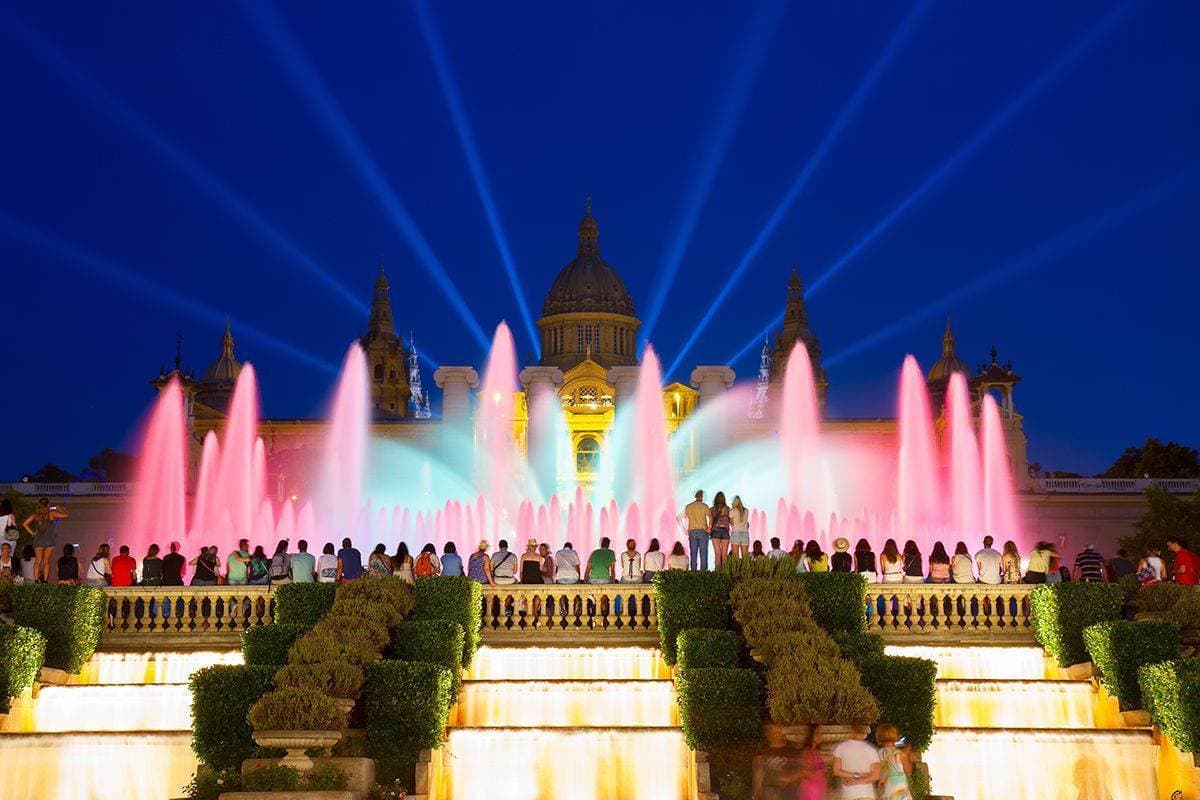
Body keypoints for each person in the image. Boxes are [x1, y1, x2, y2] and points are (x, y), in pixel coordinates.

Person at [752, 721, 808, 800]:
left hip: (788, 794)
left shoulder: (791, 751)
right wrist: (756, 795)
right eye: (773, 731)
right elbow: (758, 777)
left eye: (778, 731)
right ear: (768, 734)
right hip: (769, 795)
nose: (777, 734)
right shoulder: (763, 753)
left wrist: (787, 778)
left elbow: (802, 772)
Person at [24, 498, 68, 583]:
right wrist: (59, 508)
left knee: (38, 561)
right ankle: (45, 580)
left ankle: (36, 580)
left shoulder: (35, 515)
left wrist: (32, 533)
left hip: (38, 540)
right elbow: (66, 515)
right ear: (48, 505)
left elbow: (25, 524)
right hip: (49, 540)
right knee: (46, 561)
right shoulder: (51, 514)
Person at [831, 725, 880, 799]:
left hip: (848, 794)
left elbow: (836, 771)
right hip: (867, 794)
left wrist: (855, 776)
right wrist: (859, 780)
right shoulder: (872, 750)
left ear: (852, 731)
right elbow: (875, 776)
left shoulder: (840, 747)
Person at [874, 723, 913, 800]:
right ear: (895, 737)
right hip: (899, 789)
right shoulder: (900, 754)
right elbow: (909, 771)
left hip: (884, 787)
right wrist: (907, 754)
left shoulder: (876, 754)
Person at [678, 490, 713, 571]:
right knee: (703, 553)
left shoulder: (689, 506)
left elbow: (678, 518)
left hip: (692, 532)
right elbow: (711, 517)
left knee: (693, 553)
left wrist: (684, 530)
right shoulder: (704, 506)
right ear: (702, 496)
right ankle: (703, 573)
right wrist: (709, 528)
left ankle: (693, 572)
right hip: (702, 531)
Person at [709, 491, 731, 568]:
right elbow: (730, 521)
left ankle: (718, 574)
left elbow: (711, 521)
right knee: (724, 554)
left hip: (715, 531)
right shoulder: (727, 509)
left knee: (717, 554)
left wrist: (709, 529)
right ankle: (725, 573)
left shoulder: (712, 509)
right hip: (725, 531)